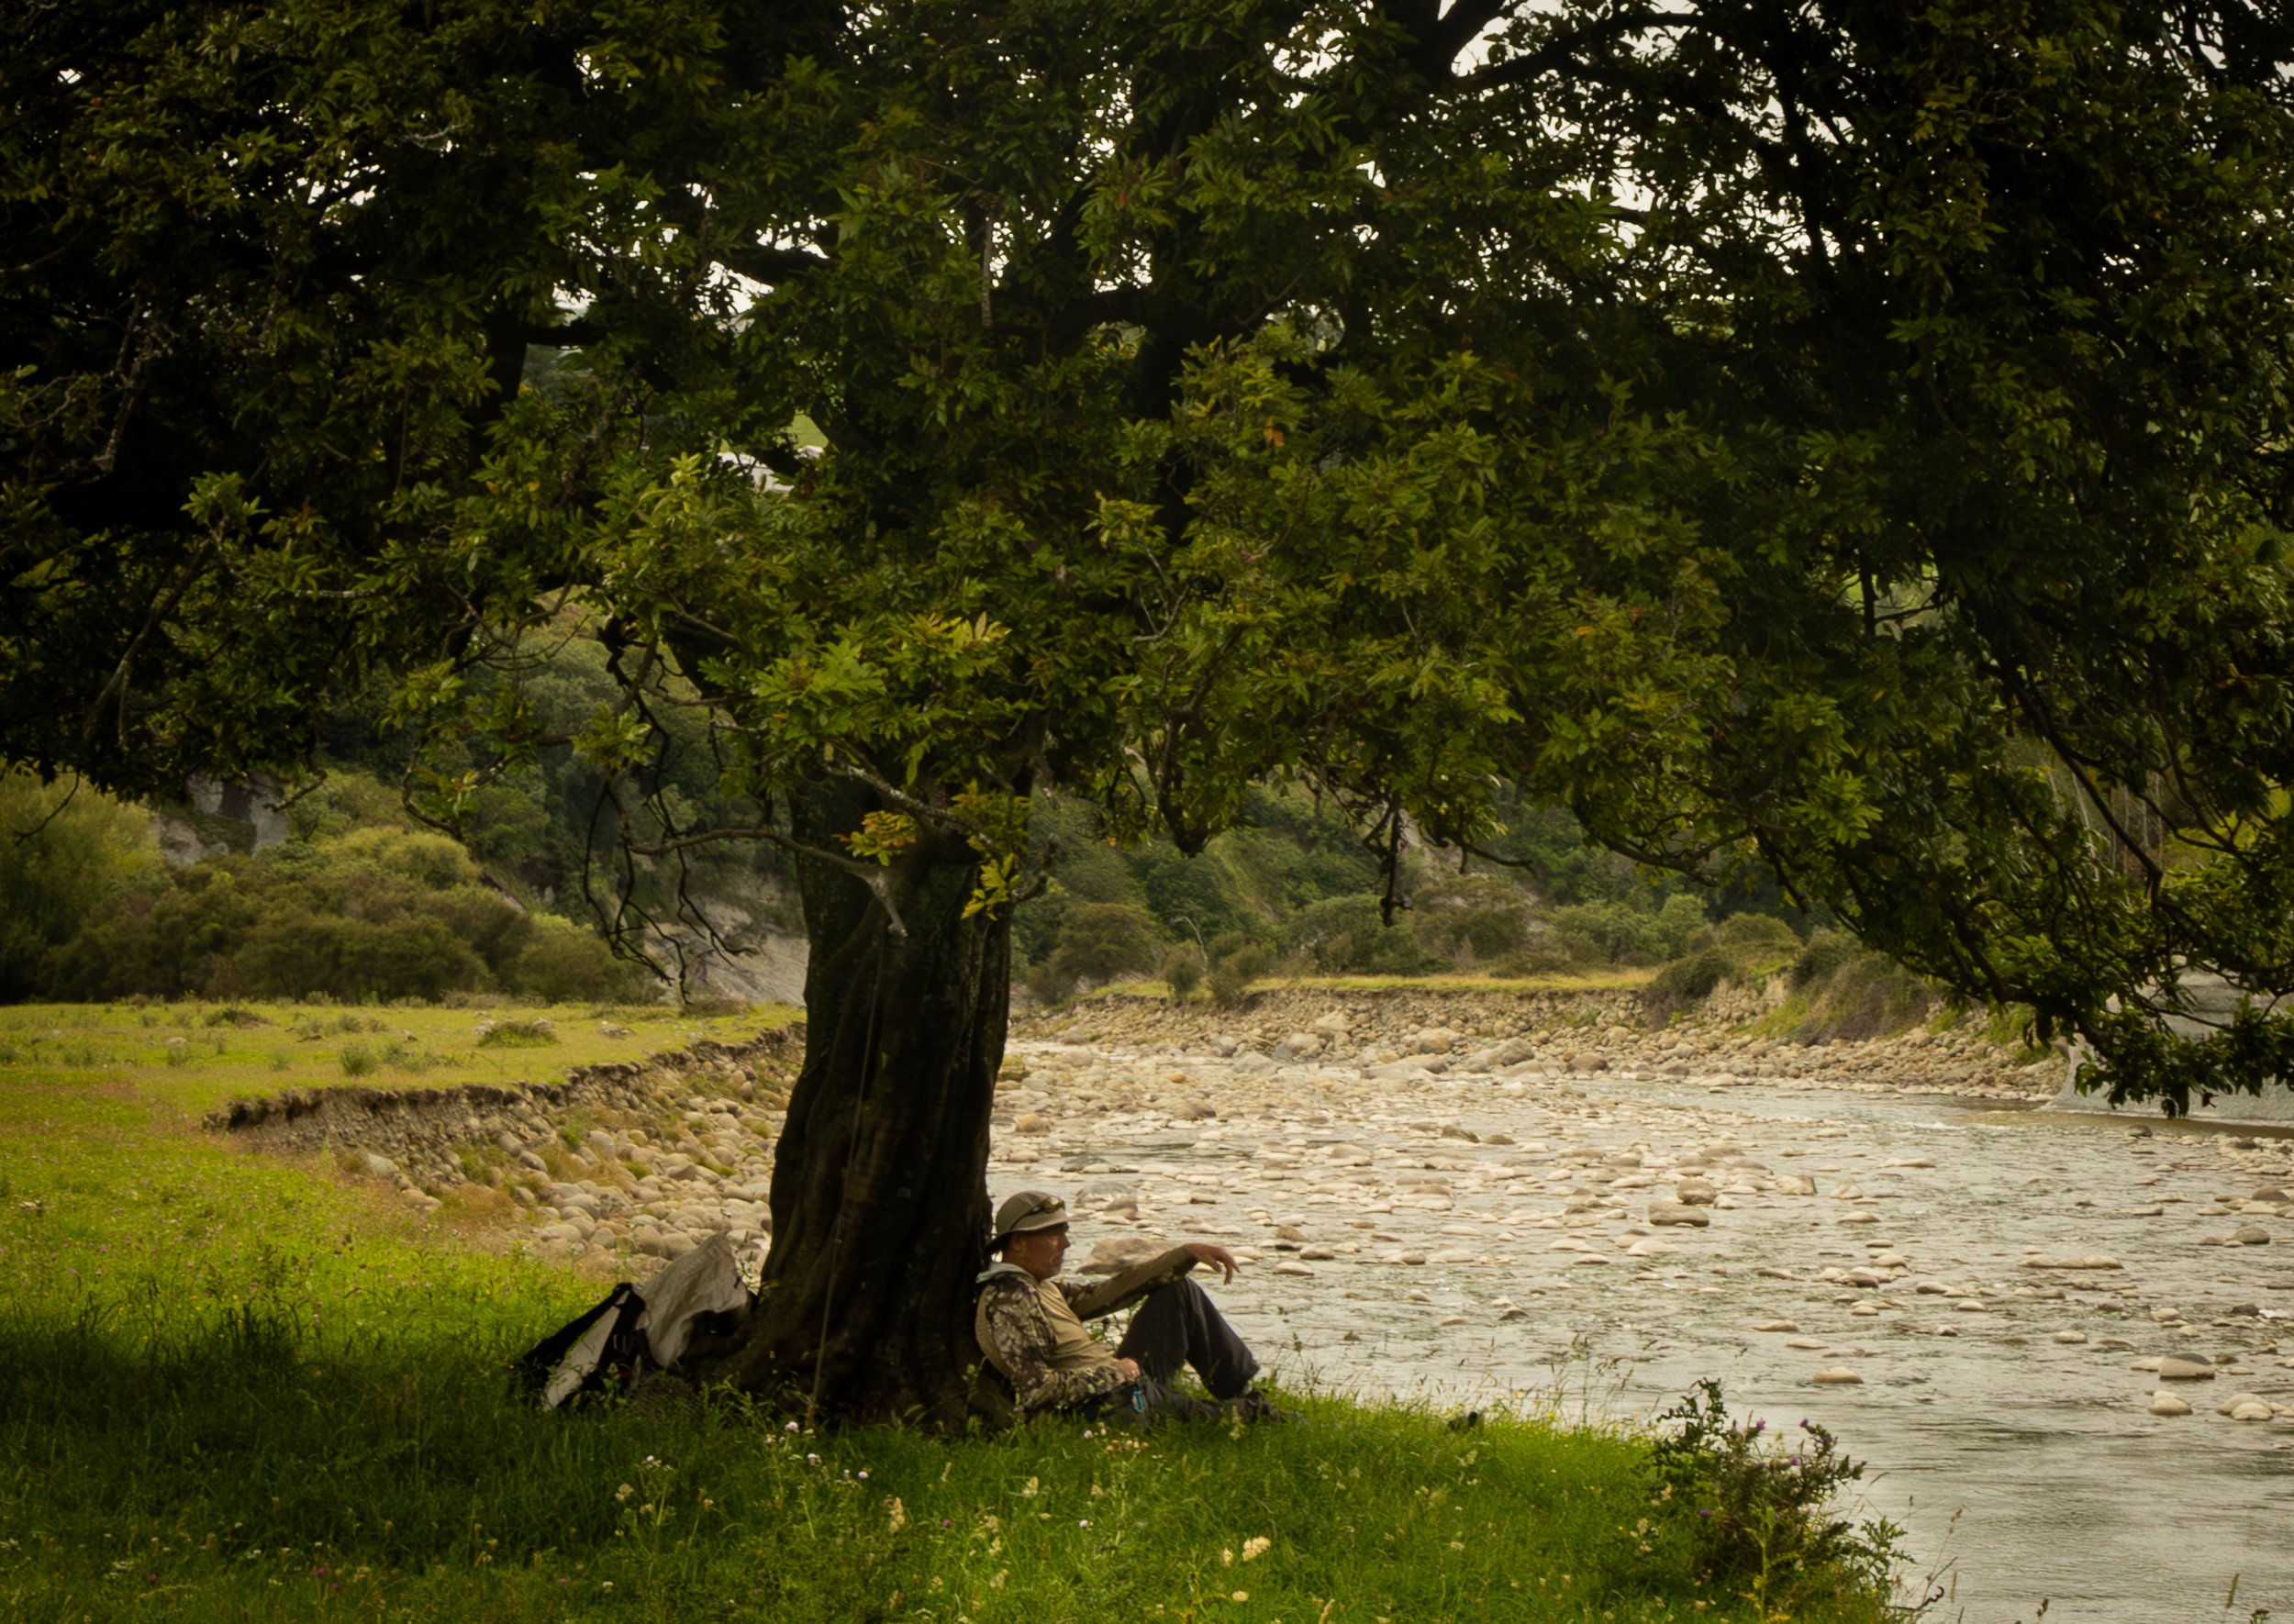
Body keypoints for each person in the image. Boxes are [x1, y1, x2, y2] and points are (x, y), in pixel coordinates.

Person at [974, 1189, 1287, 1424]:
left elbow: (1107, 1293)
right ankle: (1258, 1412)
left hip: (1120, 1385)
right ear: (1018, 1242)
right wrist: (1114, 1374)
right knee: (1234, 1418)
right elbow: (1037, 1390)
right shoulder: (1011, 1297)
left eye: (1064, 1233)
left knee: (1179, 1291)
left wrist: (1185, 1255)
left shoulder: (1039, 1286)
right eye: (1054, 1236)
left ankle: (1243, 1392)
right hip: (1107, 1403)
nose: (1066, 1244)